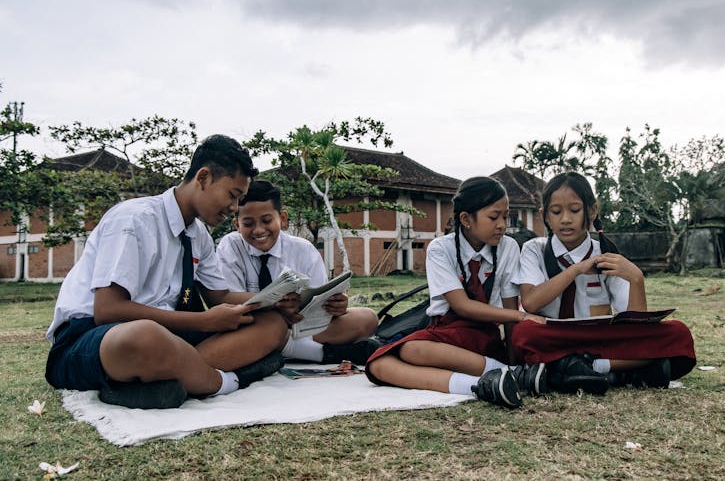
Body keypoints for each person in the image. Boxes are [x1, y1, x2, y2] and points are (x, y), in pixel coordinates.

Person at [45, 135, 289, 409]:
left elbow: (220, 296)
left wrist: (273, 299)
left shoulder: (198, 235)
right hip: (93, 337)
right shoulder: (134, 219)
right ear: (204, 177)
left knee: (272, 324)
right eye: (232, 196)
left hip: (169, 335)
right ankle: (223, 381)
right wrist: (203, 322)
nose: (234, 208)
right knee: (145, 337)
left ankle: (163, 379)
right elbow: (108, 311)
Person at [365, 177, 548, 409]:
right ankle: (486, 384)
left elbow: (509, 309)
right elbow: (461, 305)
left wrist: (514, 357)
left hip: (482, 336)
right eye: (494, 217)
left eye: (506, 216)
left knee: (411, 350)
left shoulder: (508, 247)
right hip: (444, 332)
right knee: (378, 366)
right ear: (465, 219)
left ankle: (510, 371)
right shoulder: (441, 249)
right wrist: (521, 317)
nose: (502, 224)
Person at [511, 172, 696, 394]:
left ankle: (584, 368)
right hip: (554, 336)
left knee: (678, 333)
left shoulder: (606, 254)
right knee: (524, 333)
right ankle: (625, 370)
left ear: (591, 210)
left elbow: (635, 326)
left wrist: (636, 279)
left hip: (600, 338)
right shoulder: (535, 249)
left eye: (575, 210)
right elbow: (530, 302)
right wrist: (576, 269)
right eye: (556, 212)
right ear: (545, 216)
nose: (566, 219)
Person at [216, 180, 380, 365]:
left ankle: (278, 349)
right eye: (248, 223)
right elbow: (229, 300)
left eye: (267, 220)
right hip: (256, 326)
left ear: (283, 219)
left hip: (301, 328)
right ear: (236, 224)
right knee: (267, 325)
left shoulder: (303, 249)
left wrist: (335, 307)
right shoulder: (230, 246)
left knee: (367, 318)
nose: (259, 230)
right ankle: (319, 353)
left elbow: (318, 300)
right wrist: (274, 304)